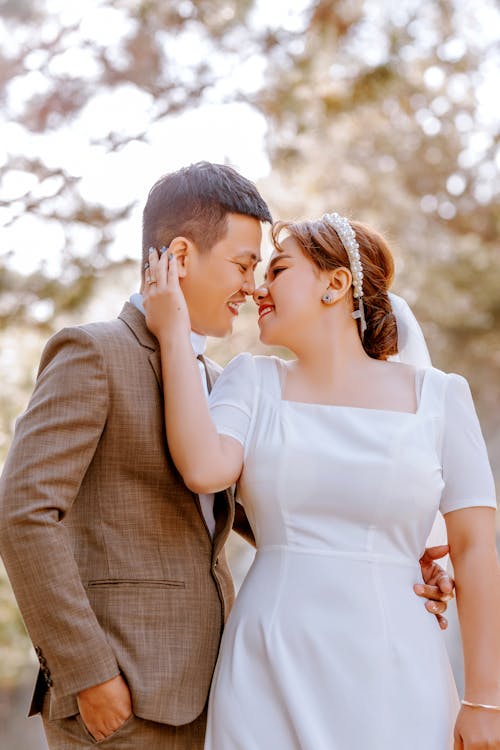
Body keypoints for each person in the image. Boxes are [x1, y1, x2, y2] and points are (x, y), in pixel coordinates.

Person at [143, 212, 500, 750]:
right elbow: (202, 467)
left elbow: (475, 551)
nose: (259, 287)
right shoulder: (252, 380)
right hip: (269, 660)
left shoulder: (442, 398)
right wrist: (173, 330)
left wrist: (485, 702)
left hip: (398, 665)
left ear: (336, 284)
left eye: (279, 269)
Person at [0, 162, 271, 749]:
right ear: (180, 254)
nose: (253, 286)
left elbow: (274, 516)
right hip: (119, 702)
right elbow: (24, 513)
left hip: (217, 695)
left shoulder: (220, 382)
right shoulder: (94, 353)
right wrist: (88, 672)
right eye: (243, 264)